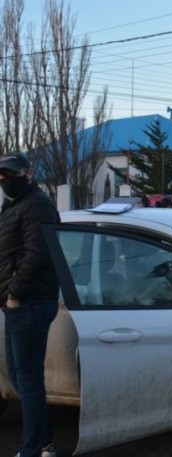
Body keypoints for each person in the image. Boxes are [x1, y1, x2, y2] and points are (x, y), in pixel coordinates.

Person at [0, 153, 61, 457]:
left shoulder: (36, 204)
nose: (5, 180)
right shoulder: (15, 204)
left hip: (29, 303)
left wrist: (13, 294)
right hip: (21, 303)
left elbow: (38, 255)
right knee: (22, 377)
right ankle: (45, 443)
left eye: (10, 173)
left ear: (29, 172)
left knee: (27, 378)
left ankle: (31, 448)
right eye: (1, 176)